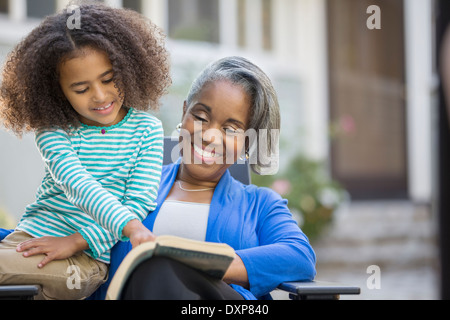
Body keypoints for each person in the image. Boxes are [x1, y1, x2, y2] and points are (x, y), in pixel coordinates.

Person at [94, 56, 317, 300]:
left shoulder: (260, 204)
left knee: (157, 264)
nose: (209, 136)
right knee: (153, 268)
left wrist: (196, 262)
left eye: (230, 129)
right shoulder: (131, 182)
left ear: (247, 143)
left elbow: (300, 256)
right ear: (184, 112)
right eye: (200, 117)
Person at [0, 3, 171, 300]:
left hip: (85, 261)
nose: (101, 96)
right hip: (27, 241)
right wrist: (130, 227)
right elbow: (76, 183)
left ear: (129, 67)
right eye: (81, 89)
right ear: (57, 91)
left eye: (108, 79)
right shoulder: (54, 130)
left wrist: (77, 241)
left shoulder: (147, 130)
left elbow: (138, 201)